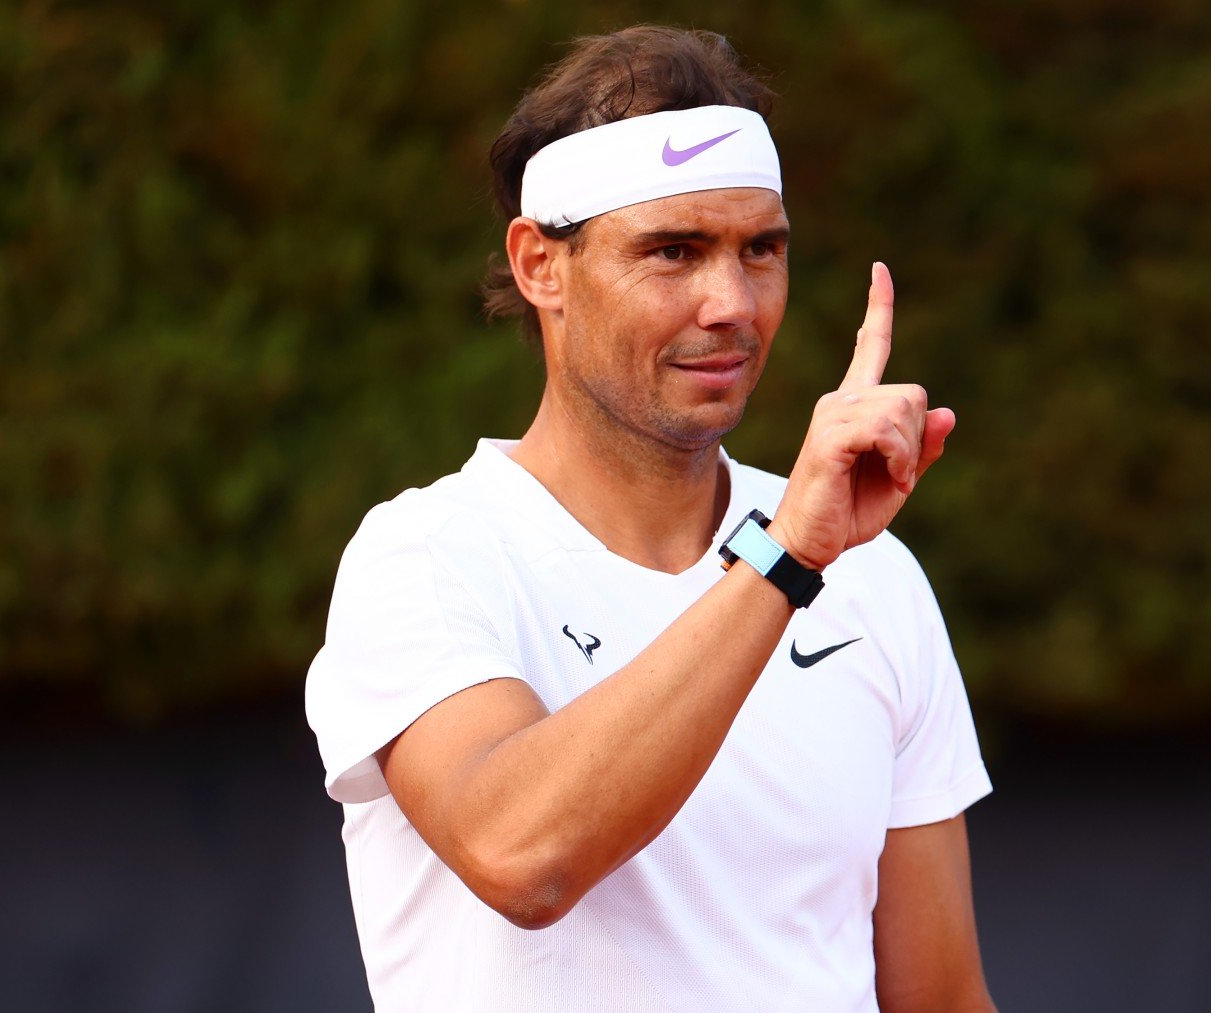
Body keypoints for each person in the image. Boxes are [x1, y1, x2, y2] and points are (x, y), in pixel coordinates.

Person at [306, 25, 996, 1012]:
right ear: (541, 264)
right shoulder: (424, 557)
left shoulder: (872, 571)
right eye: (673, 250)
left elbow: (939, 999)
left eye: (762, 249)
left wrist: (803, 547)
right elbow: (522, 853)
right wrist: (788, 554)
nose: (732, 303)